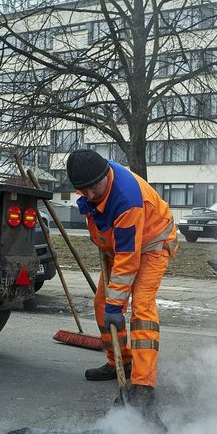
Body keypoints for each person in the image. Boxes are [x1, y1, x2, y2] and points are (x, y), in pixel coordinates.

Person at [66, 149, 177, 414]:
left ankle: (143, 385)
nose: (90, 195)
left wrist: (118, 307)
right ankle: (121, 362)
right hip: (122, 246)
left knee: (142, 309)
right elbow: (107, 227)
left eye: (94, 188)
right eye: (84, 191)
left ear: (106, 174)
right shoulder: (95, 180)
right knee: (103, 303)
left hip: (152, 244)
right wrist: (112, 304)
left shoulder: (127, 200)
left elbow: (128, 260)